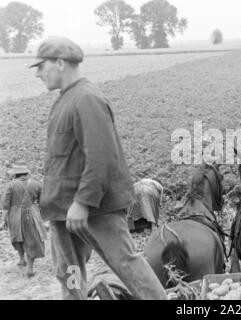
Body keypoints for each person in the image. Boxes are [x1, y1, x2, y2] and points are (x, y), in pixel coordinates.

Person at [29, 36, 167, 300]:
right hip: (63, 211)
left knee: (126, 264)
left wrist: (83, 201)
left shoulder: (86, 98)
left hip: (94, 208)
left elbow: (102, 156)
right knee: (69, 273)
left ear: (60, 63)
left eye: (41, 66)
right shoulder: (66, 99)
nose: (37, 73)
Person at [1, 161, 46, 277]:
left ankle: (21, 259)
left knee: (18, 238)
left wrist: (4, 220)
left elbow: (5, 205)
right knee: (31, 240)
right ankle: (29, 268)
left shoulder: (10, 185)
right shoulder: (36, 184)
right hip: (32, 214)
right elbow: (43, 203)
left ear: (15, 174)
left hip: (14, 215)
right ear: (26, 173)